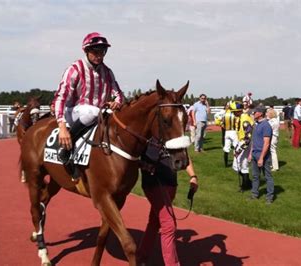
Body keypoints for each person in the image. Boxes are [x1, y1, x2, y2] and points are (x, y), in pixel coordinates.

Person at [53, 32, 124, 163]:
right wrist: (62, 126)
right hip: (73, 112)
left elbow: (119, 94)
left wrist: (117, 103)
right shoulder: (75, 69)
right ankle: (65, 148)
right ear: (86, 51)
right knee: (92, 111)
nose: (99, 55)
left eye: (102, 52)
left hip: (98, 115)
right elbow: (60, 97)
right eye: (95, 52)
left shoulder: (107, 72)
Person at [137, 156, 199, 266]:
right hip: (154, 184)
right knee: (169, 225)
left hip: (171, 185)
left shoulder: (174, 138)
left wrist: (193, 176)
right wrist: (145, 166)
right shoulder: (149, 139)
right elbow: (134, 157)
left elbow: (185, 157)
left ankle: (141, 257)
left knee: (154, 222)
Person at [248, 106, 274, 204]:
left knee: (267, 176)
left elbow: (266, 143)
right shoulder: (257, 125)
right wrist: (251, 153)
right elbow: (253, 141)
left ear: (260, 114)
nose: (253, 114)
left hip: (263, 155)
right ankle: (254, 194)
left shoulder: (266, 125)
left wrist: (261, 158)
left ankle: (269, 197)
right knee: (255, 176)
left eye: (255, 112)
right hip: (254, 154)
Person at [233, 106, 254, 192]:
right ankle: (248, 183)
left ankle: (246, 185)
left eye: (234, 111)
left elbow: (248, 138)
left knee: (240, 164)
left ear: (238, 111)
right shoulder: (239, 117)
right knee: (239, 165)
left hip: (244, 143)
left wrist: (239, 150)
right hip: (241, 142)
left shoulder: (245, 119)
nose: (233, 113)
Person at [222, 101, 242, 167]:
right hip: (234, 131)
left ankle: (226, 164)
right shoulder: (235, 113)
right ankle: (236, 163)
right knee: (236, 147)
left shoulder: (225, 113)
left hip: (227, 132)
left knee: (226, 148)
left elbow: (222, 123)